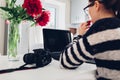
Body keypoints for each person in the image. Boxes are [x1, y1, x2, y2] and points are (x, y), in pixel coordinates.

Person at [59, 0, 120, 80]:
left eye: (88, 9)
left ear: (96, 5)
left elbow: (65, 61)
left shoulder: (100, 27)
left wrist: (78, 35)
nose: (89, 13)